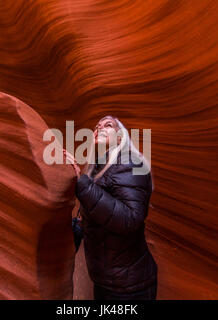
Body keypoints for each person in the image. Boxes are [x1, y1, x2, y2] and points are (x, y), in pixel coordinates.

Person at [64, 115, 157, 300]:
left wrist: (82, 184)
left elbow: (130, 219)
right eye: (98, 126)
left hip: (129, 287)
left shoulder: (131, 163)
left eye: (108, 125)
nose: (100, 127)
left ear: (120, 137)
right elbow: (100, 214)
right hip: (108, 281)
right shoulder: (99, 167)